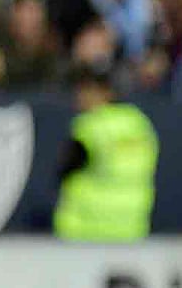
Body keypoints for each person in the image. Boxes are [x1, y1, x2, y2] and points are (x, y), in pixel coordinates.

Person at [54, 67, 159, 242]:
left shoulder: (89, 125)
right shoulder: (139, 124)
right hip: (131, 228)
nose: (79, 95)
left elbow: (66, 167)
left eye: (86, 89)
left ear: (105, 92)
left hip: (85, 229)